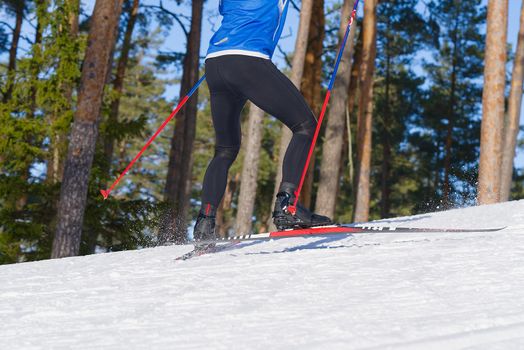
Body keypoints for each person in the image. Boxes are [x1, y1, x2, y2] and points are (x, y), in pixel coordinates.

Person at [193, 0, 332, 241]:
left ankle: (205, 224)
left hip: (216, 61)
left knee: (225, 150)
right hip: (248, 59)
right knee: (305, 126)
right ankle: (287, 205)